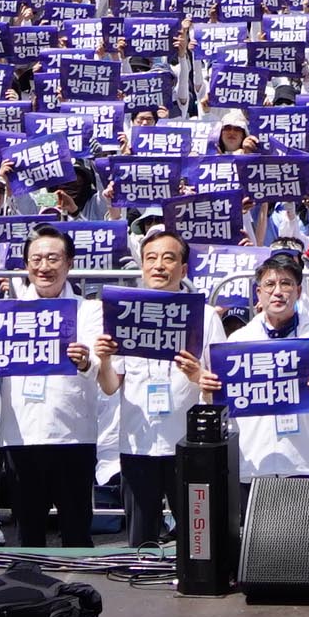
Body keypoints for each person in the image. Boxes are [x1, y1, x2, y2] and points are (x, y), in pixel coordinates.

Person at [0, 227, 112, 549]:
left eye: (53, 258)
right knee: (28, 533)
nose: (44, 266)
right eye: (36, 259)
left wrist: (86, 361)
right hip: (21, 435)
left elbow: (99, 370)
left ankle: (79, 595)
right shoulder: (5, 314)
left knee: (76, 530)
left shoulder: (89, 310)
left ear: (69, 263)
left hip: (73, 435)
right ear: (26, 265)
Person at [208, 251, 309, 497]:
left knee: (303, 535)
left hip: (304, 461)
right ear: (259, 293)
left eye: (286, 283)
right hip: (254, 461)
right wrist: (208, 389)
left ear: (299, 292)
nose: (278, 291)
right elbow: (224, 406)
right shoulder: (238, 341)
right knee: (253, 535)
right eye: (269, 284)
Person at [108, 229, 206, 547]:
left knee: (197, 541)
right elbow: (110, 386)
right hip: (138, 445)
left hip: (186, 444)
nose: (159, 265)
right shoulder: (123, 314)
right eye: (151, 258)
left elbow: (219, 384)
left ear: (184, 268)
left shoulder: (203, 317)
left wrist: (197, 375)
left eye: (168, 258)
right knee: (140, 540)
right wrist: (103, 360)